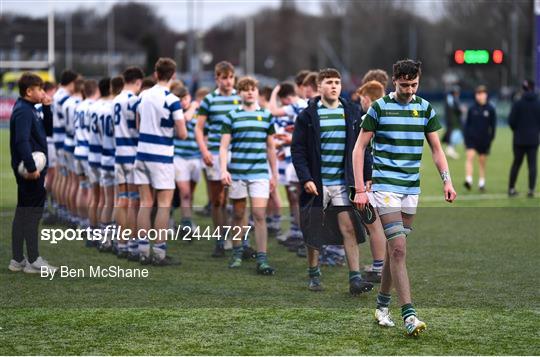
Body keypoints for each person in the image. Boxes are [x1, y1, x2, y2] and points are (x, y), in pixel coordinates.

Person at [352, 59, 457, 336]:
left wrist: (447, 181)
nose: (410, 90)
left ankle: (382, 306)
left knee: (393, 249)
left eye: (414, 85)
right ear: (394, 81)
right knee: (398, 248)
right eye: (404, 84)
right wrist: (361, 188)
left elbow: (436, 148)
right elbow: (359, 148)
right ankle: (409, 315)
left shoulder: (424, 108)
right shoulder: (378, 108)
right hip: (385, 186)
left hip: (411, 189)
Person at [291, 68, 374, 294]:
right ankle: (314, 273)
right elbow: (298, 151)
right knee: (314, 230)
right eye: (329, 82)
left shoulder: (351, 111)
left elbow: (361, 147)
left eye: (337, 82)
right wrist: (306, 178)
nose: (334, 86)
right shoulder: (307, 115)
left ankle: (355, 279)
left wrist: (367, 175)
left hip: (342, 183)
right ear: (319, 86)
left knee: (348, 227)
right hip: (317, 183)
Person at [219, 76, 278, 274]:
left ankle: (262, 258)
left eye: (252, 88)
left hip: (259, 173)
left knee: (259, 214)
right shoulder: (232, 116)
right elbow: (223, 146)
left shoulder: (266, 115)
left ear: (257, 91)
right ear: (240, 93)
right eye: (245, 89)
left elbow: (271, 147)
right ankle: (237, 251)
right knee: (238, 213)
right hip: (237, 172)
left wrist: (274, 174)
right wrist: (223, 169)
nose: (250, 92)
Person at [134, 57, 187, 266]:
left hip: (142, 153)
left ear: (156, 74)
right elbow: (182, 133)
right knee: (164, 205)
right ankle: (159, 253)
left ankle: (143, 251)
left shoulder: (144, 95)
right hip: (162, 156)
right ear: (173, 76)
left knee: (145, 203)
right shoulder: (173, 100)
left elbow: (138, 125)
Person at [8, 72, 57, 273]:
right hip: (31, 173)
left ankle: (18, 259)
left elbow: (48, 131)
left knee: (23, 214)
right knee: (31, 215)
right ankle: (33, 260)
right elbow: (21, 141)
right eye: (40, 89)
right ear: (29, 91)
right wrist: (31, 167)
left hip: (32, 170)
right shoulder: (24, 111)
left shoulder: (30, 108)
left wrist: (46, 107)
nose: (43, 92)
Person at [194, 61, 241, 258]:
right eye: (224, 77)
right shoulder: (209, 100)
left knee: (236, 199)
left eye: (231, 77)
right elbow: (199, 128)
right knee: (218, 200)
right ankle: (220, 239)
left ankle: (237, 239)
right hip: (214, 152)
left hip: (237, 154)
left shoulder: (240, 99)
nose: (228, 81)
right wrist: (204, 151)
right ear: (217, 79)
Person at [354, 80, 389, 283]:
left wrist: (367, 177)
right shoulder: (391, 114)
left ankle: (378, 267)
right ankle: (383, 264)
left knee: (373, 223)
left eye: (361, 99)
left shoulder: (370, 116)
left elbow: (365, 151)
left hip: (376, 178)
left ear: (367, 98)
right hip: (391, 177)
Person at [112, 66, 144, 258]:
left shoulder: (115, 99)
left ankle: (121, 243)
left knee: (121, 199)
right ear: (138, 82)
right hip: (132, 153)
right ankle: (131, 243)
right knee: (133, 202)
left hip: (118, 153)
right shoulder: (134, 100)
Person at [171, 85, 202, 233]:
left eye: (185, 98)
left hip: (196, 157)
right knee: (185, 192)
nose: (183, 102)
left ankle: (186, 219)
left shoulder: (199, 113)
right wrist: (194, 105)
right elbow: (185, 119)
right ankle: (186, 224)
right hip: (179, 157)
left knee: (190, 193)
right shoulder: (175, 113)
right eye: (180, 99)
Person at [508, 79, 540, 198]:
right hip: (533, 140)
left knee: (516, 164)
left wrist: (518, 130)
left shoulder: (518, 103)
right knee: (532, 165)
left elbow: (511, 121)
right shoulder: (538, 103)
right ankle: (531, 190)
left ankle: (511, 189)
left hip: (519, 140)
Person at [463, 85, 496, 192]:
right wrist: (466, 138)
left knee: (482, 162)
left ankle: (481, 183)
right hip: (472, 139)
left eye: (482, 93)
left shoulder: (490, 109)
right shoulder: (472, 108)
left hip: (484, 140)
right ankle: (468, 180)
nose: (480, 96)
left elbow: (493, 127)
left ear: (486, 95)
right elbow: (467, 125)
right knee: (470, 157)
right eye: (478, 94)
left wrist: (490, 139)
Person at [442, 86, 462, 159]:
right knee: (453, 135)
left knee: (451, 134)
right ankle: (450, 149)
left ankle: (450, 149)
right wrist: (461, 110)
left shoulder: (450, 98)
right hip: (452, 121)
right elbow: (456, 109)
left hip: (451, 121)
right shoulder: (452, 99)